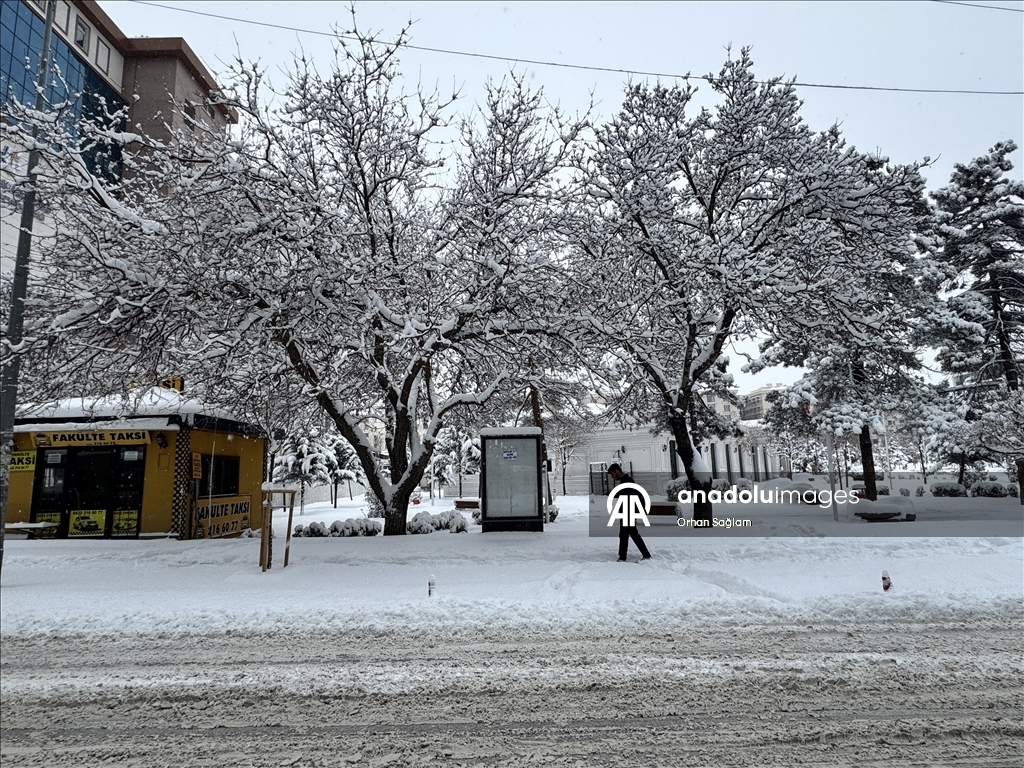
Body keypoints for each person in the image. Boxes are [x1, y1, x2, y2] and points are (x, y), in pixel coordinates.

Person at [607, 463, 651, 561]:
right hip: (627, 512)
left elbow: (629, 496)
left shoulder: (627, 481)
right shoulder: (625, 481)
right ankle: (628, 555)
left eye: (612, 474)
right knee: (628, 534)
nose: (612, 477)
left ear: (616, 471)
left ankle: (624, 556)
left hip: (628, 512)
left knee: (628, 534)